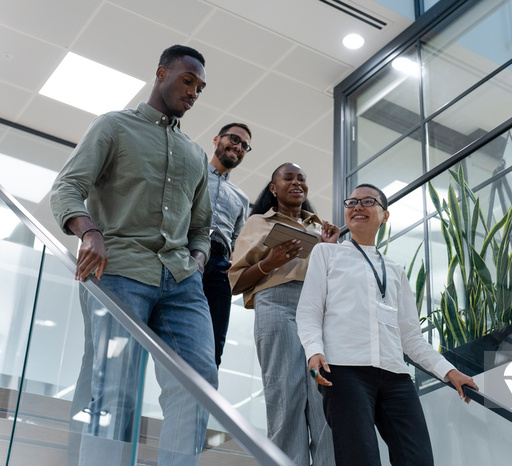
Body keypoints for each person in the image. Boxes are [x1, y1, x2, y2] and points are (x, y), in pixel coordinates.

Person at [50, 45, 216, 466]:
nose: (194, 92)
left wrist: (197, 259)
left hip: (181, 281)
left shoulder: (196, 154)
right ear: (161, 73)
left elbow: (201, 226)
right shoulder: (113, 127)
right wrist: (88, 231)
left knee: (198, 383)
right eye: (187, 80)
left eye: (200, 87)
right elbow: (68, 187)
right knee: (115, 387)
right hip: (120, 269)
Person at [296, 183, 479, 466]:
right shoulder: (326, 254)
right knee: (361, 458)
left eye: (368, 201)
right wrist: (313, 351)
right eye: (351, 202)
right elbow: (309, 311)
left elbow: (411, 338)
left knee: (417, 459)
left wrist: (449, 371)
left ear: (385, 215)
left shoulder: (394, 270)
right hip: (345, 371)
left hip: (395, 375)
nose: (357, 207)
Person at [228, 162, 339, 466]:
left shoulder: (320, 228)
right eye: (288, 178)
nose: (296, 183)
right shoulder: (257, 224)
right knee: (286, 396)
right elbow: (235, 281)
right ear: (274, 188)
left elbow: (336, 282)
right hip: (276, 304)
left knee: (325, 400)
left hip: (318, 311)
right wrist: (270, 262)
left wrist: (330, 248)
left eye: (301, 179)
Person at [202, 122, 252, 368]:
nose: (238, 147)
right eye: (234, 139)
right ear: (216, 140)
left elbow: (237, 241)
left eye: (244, 145)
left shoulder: (241, 198)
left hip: (219, 266)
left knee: (212, 343)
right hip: (186, 253)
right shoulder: (194, 172)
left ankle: (201, 401)